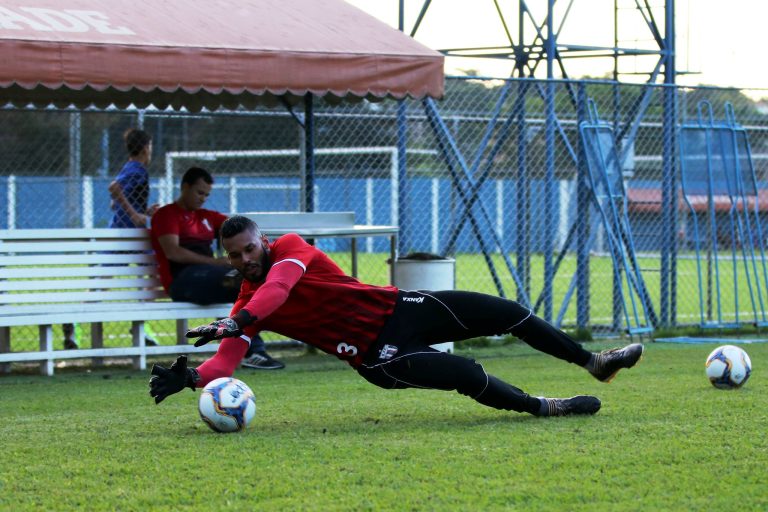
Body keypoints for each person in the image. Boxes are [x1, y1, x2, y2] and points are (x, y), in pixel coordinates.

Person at [149, 215, 645, 417]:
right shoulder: (245, 307)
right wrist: (192, 376)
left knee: (509, 312)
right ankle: (544, 407)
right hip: (378, 356)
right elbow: (222, 367)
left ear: (263, 240)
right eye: (233, 257)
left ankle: (593, 361)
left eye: (249, 249)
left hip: (400, 308)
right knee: (466, 373)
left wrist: (237, 322)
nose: (243, 261)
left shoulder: (290, 249)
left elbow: (278, 288)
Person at [150, 168, 283, 370]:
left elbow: (239, 231)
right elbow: (173, 252)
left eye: (206, 194)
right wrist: (216, 262)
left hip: (210, 278)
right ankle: (252, 351)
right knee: (236, 281)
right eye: (199, 192)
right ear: (185, 187)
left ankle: (249, 351)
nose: (203, 198)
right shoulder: (166, 215)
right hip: (181, 282)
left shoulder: (206, 217)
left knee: (242, 281)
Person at [61, 128, 160, 349]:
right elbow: (114, 188)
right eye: (151, 146)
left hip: (121, 233)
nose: (151, 150)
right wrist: (135, 215)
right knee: (157, 275)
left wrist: (144, 211)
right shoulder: (138, 169)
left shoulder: (129, 167)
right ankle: (140, 325)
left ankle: (74, 318)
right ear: (146, 148)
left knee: (104, 282)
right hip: (129, 236)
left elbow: (115, 202)